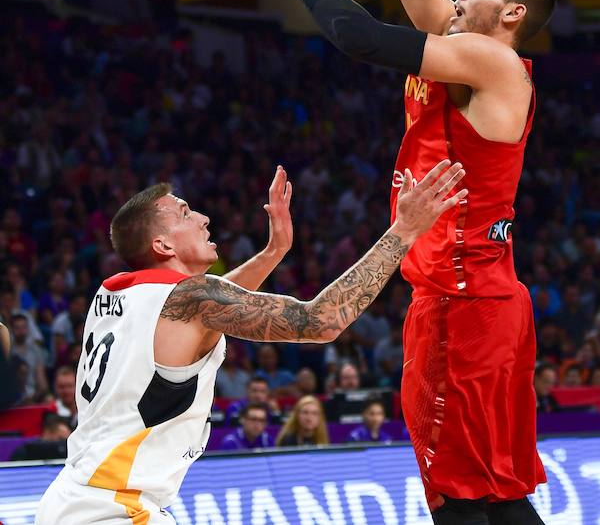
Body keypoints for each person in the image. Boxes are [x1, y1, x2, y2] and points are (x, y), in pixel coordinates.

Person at [246, 0, 556, 523]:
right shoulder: (456, 43)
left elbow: (358, 37)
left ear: (510, 11)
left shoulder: (493, 63)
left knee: (460, 500)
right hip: (475, 300)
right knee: (500, 494)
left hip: (464, 303)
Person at [35, 159, 465, 524]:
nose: (203, 218)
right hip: (113, 509)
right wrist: (404, 232)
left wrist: (273, 252)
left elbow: (209, 306)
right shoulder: (191, 300)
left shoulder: (117, 292)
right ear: (162, 243)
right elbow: (323, 321)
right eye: (185, 213)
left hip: (74, 498)